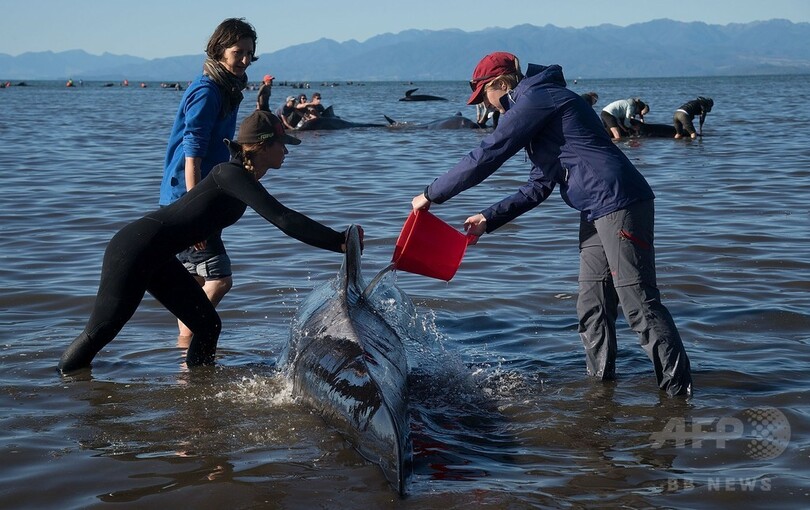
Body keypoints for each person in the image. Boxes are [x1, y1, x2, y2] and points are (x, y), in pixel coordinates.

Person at [410, 51, 692, 397]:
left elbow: (489, 152)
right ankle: (601, 394)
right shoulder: (536, 105)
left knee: (639, 305)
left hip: (620, 202)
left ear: (500, 83)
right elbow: (539, 184)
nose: (485, 104)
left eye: (484, 96)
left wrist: (432, 193)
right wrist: (489, 217)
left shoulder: (536, 99)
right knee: (592, 307)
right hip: (594, 209)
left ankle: (679, 398)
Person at [59, 111, 358, 372]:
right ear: (262, 146)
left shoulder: (238, 179)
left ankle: (199, 389)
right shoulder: (231, 174)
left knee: (207, 326)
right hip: (134, 249)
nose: (287, 152)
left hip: (159, 257)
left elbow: (202, 211)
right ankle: (62, 386)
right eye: (282, 145)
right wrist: (339, 241)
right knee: (102, 330)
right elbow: (283, 218)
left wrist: (202, 231)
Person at [159, 18, 257, 341]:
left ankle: (185, 365)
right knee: (220, 279)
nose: (244, 59)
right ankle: (190, 337)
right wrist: (194, 215)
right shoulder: (207, 92)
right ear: (219, 50)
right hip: (186, 199)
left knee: (198, 283)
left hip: (196, 197)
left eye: (249, 53)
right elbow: (192, 158)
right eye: (237, 52)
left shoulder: (225, 90)